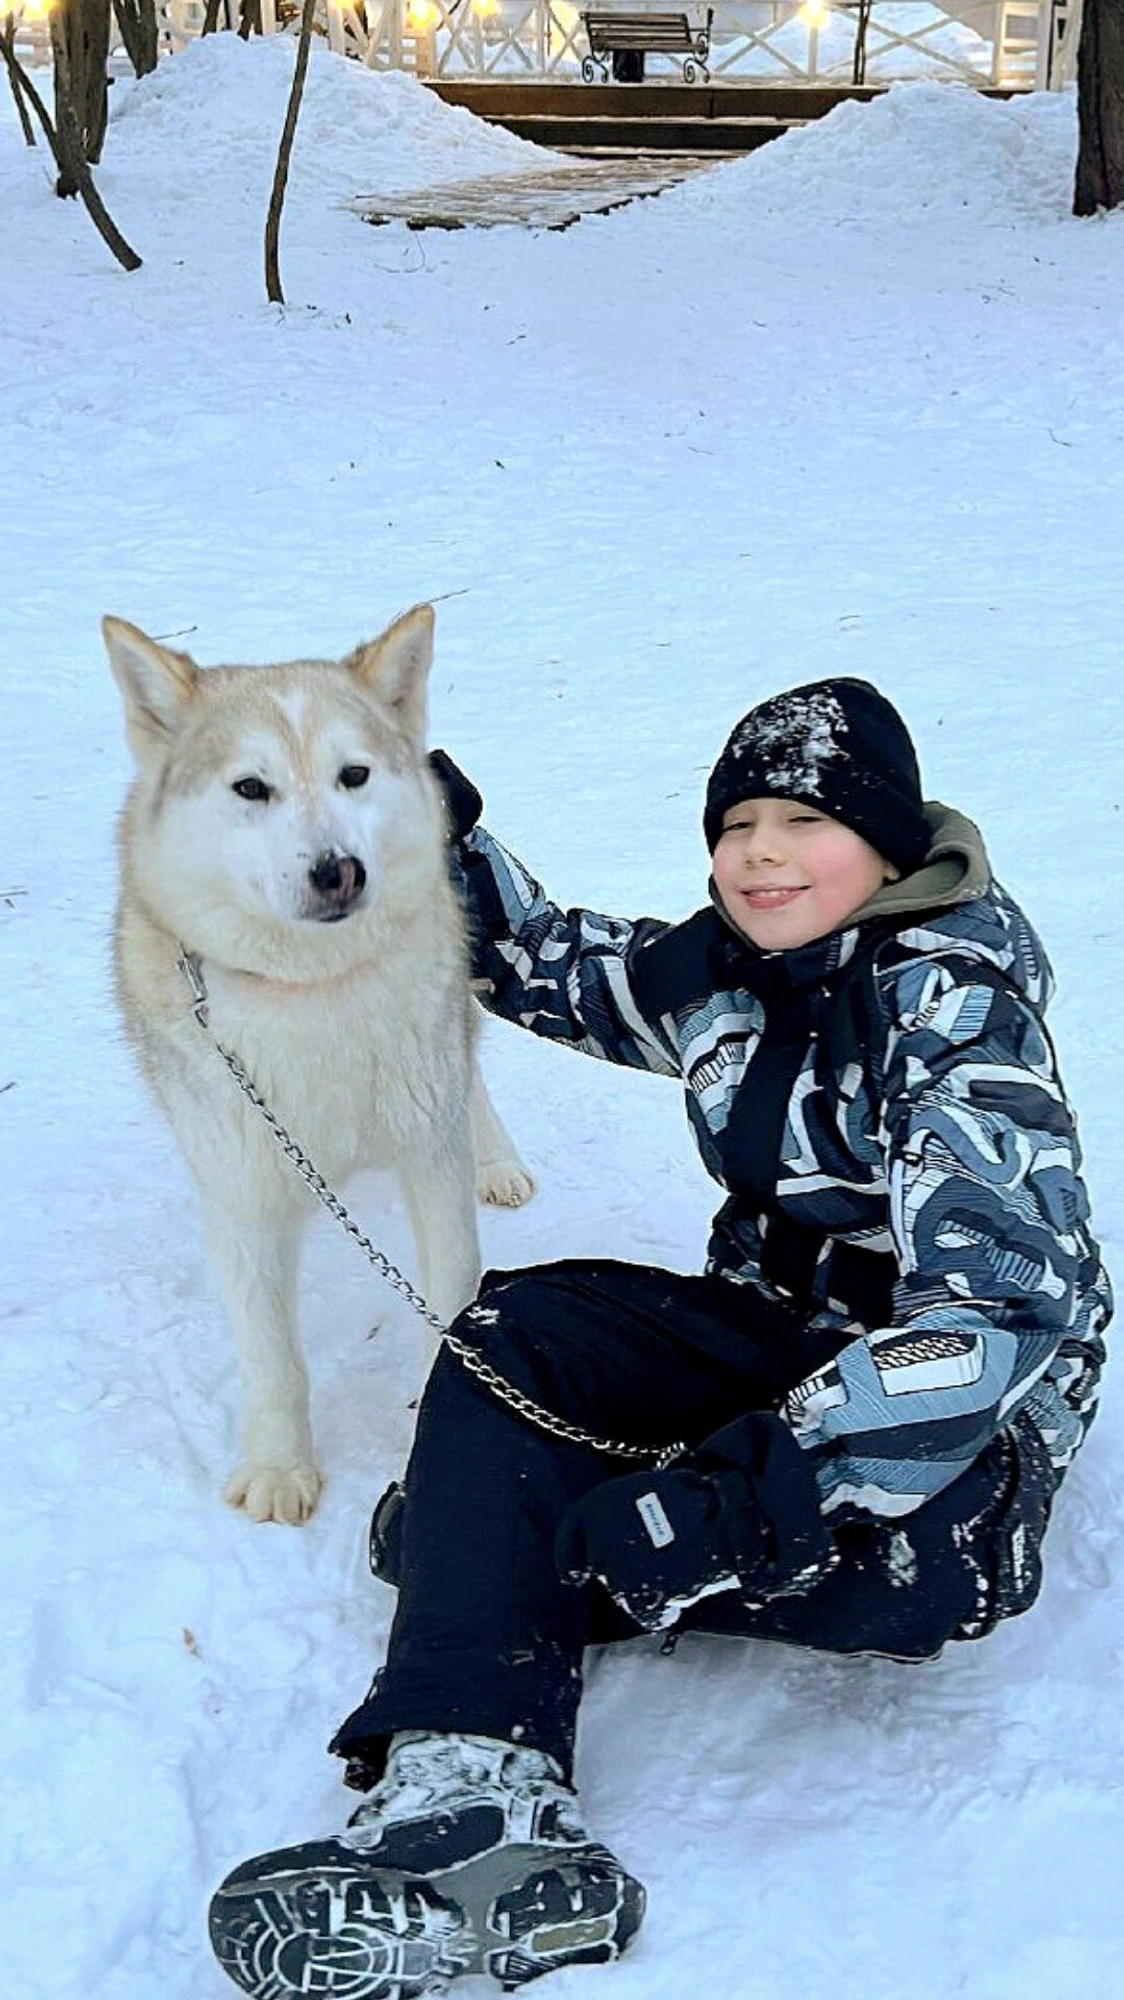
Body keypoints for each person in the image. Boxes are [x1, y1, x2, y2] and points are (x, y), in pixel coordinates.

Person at [208, 677, 1111, 2000]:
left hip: (956, 1456)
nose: (761, 852)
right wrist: (417, 815)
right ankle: (468, 1801)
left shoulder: (953, 1005)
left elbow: (994, 1326)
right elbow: (538, 964)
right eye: (738, 820)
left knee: (874, 1552)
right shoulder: (728, 976)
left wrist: (745, 1501)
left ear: (890, 843)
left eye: (805, 821)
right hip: (778, 1341)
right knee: (508, 1336)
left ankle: (508, 1545)